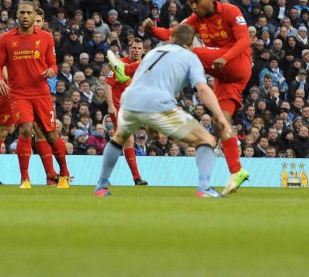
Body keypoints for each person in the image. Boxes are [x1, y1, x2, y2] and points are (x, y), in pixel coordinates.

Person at [96, 24, 232, 197]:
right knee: (207, 139)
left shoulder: (154, 53)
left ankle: (101, 185)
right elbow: (203, 89)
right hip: (158, 103)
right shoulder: (191, 58)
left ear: (171, 40)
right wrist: (220, 116)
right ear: (190, 44)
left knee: (119, 138)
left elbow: (127, 72)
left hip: (130, 99)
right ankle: (204, 188)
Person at [143, 0, 250, 195]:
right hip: (224, 78)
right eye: (190, 2)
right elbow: (172, 34)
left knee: (188, 52)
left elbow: (245, 40)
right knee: (221, 122)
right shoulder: (196, 19)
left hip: (237, 64)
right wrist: (152, 29)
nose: (193, 6)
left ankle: (130, 70)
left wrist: (224, 57)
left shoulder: (230, 11)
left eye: (197, 1)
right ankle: (236, 171)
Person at [0, 0, 71, 189]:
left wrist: (52, 71)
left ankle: (64, 173)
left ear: (35, 15)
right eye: (22, 13)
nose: (25, 16)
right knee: (25, 129)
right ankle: (25, 179)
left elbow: (53, 63)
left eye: (29, 13)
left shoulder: (46, 38)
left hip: (41, 94)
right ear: (17, 15)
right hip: (18, 94)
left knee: (50, 136)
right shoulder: (6, 38)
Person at [104, 38, 148, 185]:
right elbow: (108, 85)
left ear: (143, 51)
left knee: (122, 142)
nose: (136, 50)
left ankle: (105, 177)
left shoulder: (144, 66)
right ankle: (136, 178)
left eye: (139, 48)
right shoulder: (119, 64)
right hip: (118, 106)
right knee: (128, 140)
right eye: (134, 48)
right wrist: (110, 106)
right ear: (129, 49)